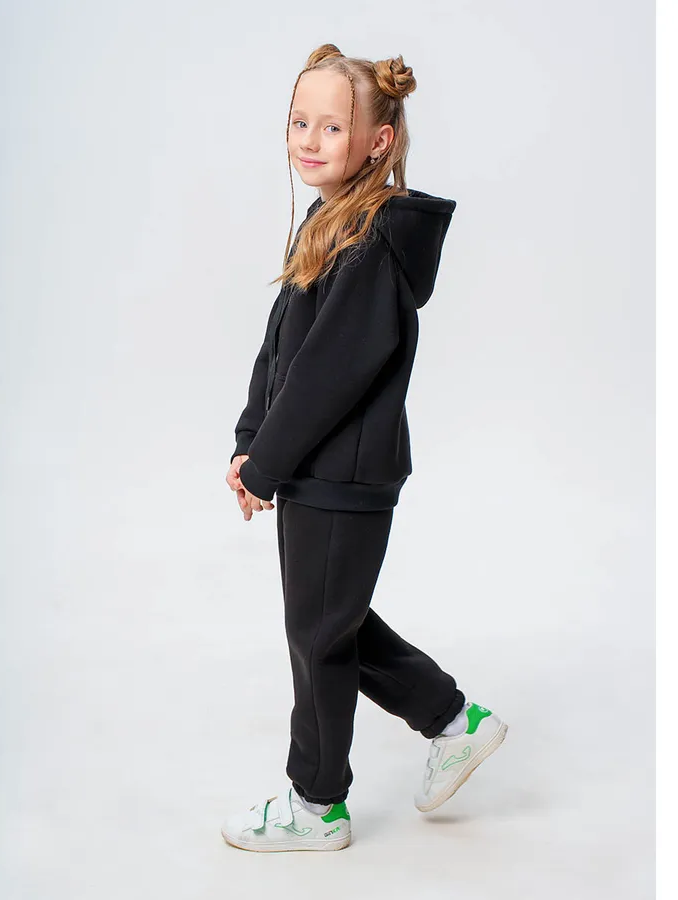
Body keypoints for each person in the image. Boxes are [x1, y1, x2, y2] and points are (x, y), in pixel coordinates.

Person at [221, 43, 508, 853]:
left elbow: (328, 375)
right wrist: (250, 442)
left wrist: (269, 464)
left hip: (341, 471)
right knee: (328, 621)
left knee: (318, 634)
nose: (309, 140)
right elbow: (279, 351)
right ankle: (453, 721)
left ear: (378, 141)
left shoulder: (373, 242)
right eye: (298, 122)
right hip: (314, 467)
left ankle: (317, 807)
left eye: (331, 126)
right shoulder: (327, 223)